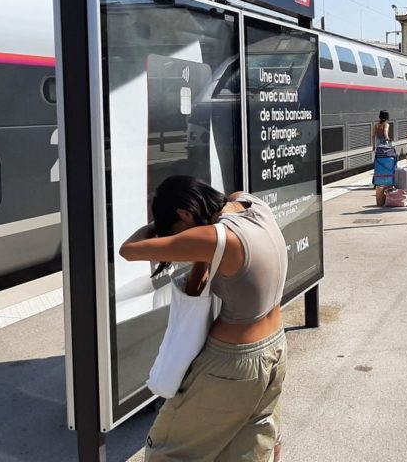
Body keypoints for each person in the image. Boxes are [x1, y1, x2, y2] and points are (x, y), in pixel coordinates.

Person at [120, 176, 288, 462]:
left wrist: (158, 225)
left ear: (184, 214)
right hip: (275, 349)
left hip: (232, 364)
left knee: (169, 450)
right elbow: (203, 275)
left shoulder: (214, 237)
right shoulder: (250, 203)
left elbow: (129, 250)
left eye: (176, 226)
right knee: (251, 446)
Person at [372, 110, 395, 206]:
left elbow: (373, 136)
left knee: (378, 163)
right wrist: (387, 140)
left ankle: (377, 181)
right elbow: (385, 133)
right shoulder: (386, 124)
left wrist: (373, 146)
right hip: (384, 145)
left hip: (378, 145)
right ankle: (388, 181)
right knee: (387, 163)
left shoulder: (376, 125)